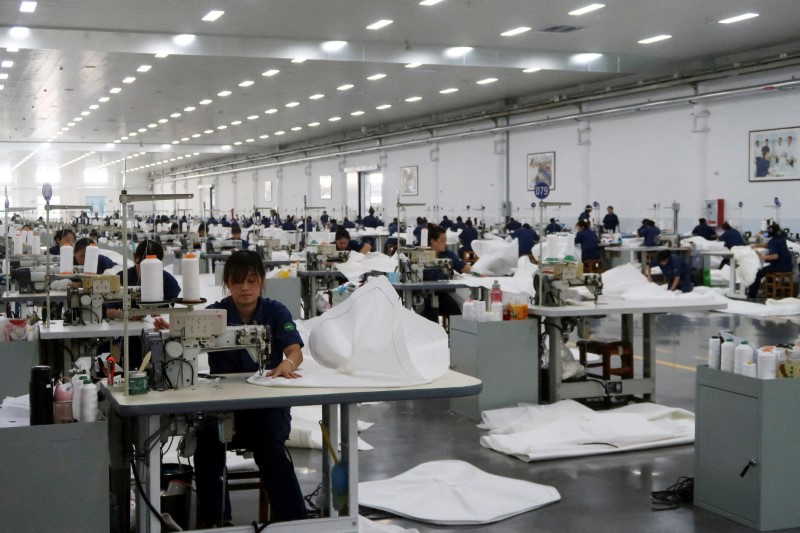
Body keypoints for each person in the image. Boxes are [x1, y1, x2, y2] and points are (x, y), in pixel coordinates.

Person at [171, 250, 306, 527]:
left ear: (262, 282)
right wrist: (174, 332)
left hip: (266, 406)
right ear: (227, 284)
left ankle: (294, 522)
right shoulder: (213, 315)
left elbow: (294, 349)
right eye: (237, 282)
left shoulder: (276, 311)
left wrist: (288, 364)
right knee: (207, 446)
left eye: (251, 281)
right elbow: (185, 339)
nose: (245, 287)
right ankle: (217, 521)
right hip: (224, 407)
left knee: (270, 446)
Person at [106, 240, 182, 368]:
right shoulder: (122, 278)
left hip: (159, 333)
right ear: (135, 258)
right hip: (131, 336)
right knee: (133, 362)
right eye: (145, 265)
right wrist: (127, 315)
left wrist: (160, 312)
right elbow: (108, 311)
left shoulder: (168, 280)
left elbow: (174, 308)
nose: (148, 271)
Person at [422, 225, 471, 323]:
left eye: (446, 241)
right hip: (424, 295)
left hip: (442, 294)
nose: (445, 244)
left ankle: (455, 337)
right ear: (433, 241)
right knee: (431, 318)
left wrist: (481, 271)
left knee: (457, 315)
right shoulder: (421, 255)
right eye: (442, 241)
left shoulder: (447, 255)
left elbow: (464, 267)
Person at [747, 224, 792, 299]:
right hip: (788, 265)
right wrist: (757, 245)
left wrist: (761, 256)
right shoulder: (781, 237)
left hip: (780, 266)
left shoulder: (774, 241)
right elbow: (768, 245)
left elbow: (775, 256)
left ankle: (751, 295)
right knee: (767, 270)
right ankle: (770, 290)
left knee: (759, 273)